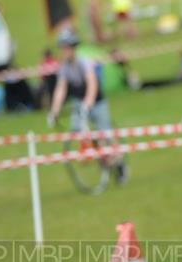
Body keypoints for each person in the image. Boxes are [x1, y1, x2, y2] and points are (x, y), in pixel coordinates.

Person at [47, 27, 126, 184]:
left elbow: (92, 84)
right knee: (77, 127)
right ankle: (90, 150)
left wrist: (87, 105)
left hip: (96, 102)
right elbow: (60, 89)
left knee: (106, 134)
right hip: (79, 101)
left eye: (66, 47)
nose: (64, 51)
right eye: (62, 47)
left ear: (72, 48)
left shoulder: (84, 63)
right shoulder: (64, 68)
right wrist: (54, 111)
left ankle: (119, 163)